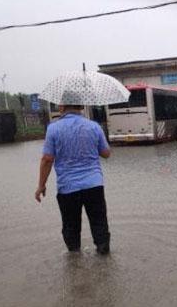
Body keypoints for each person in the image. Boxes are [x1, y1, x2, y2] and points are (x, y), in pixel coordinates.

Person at [35, 104, 111, 255]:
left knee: (70, 225)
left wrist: (41, 185)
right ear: (81, 106)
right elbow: (106, 153)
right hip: (94, 184)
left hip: (67, 187)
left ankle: (74, 259)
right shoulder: (94, 127)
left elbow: (47, 159)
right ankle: (104, 255)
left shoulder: (53, 129)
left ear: (62, 107)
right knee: (99, 222)